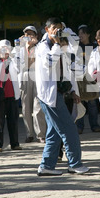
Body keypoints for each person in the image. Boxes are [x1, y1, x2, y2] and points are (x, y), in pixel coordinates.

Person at [35, 17, 90, 176]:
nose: (57, 31)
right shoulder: (43, 47)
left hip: (60, 92)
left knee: (54, 132)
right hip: (49, 96)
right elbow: (50, 62)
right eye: (54, 29)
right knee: (69, 129)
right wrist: (59, 44)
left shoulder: (60, 45)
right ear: (47, 30)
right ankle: (75, 164)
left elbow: (69, 70)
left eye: (60, 28)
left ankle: (46, 166)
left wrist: (73, 91)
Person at [0, 40, 22, 152]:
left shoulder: (13, 61)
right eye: (2, 48)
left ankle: (15, 144)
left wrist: (12, 55)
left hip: (12, 96)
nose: (4, 51)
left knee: (13, 121)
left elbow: (19, 68)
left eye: (6, 48)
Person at [16, 25, 47, 143]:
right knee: (25, 107)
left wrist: (35, 44)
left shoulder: (40, 47)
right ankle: (29, 133)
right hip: (24, 76)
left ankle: (41, 134)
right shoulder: (20, 48)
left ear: (36, 36)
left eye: (31, 34)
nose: (28, 37)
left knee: (38, 106)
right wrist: (22, 46)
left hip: (37, 76)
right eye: (26, 34)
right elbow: (18, 64)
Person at [76, 24, 100, 134]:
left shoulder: (94, 46)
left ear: (88, 34)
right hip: (80, 77)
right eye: (79, 33)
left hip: (91, 77)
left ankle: (94, 125)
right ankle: (79, 127)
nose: (80, 35)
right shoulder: (77, 47)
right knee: (79, 101)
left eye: (83, 33)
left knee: (92, 103)